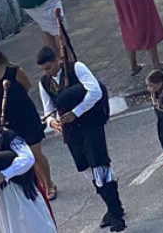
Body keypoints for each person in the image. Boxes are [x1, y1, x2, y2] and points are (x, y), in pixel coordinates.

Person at [37, 44, 125, 232]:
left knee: (100, 165)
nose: (47, 72)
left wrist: (76, 113)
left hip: (90, 123)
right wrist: (52, 122)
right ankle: (111, 206)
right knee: (86, 168)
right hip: (71, 131)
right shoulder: (44, 83)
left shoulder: (76, 68)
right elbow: (48, 109)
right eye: (43, 70)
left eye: (49, 67)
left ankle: (117, 213)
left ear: (57, 61)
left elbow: (95, 92)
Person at [0, 44, 54, 199]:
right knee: (21, 155)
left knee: (35, 153)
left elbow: (27, 86)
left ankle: (49, 184)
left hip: (26, 116)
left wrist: (17, 102)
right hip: (7, 122)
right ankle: (37, 185)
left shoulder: (14, 71)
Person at [0, 104, 56, 233]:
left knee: (30, 225)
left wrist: (5, 174)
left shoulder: (7, 136)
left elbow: (27, 158)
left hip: (17, 190)